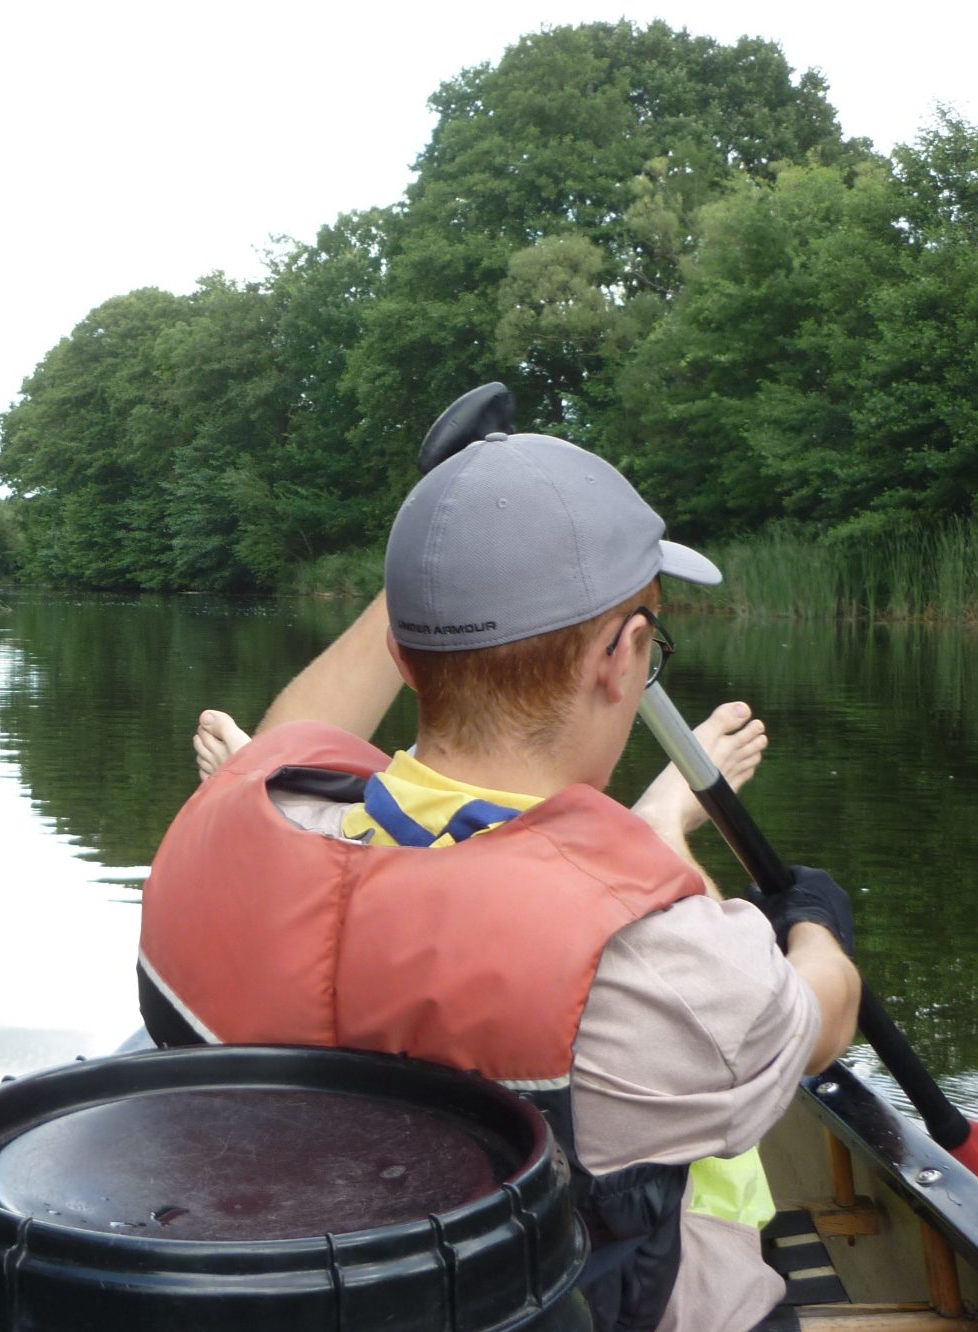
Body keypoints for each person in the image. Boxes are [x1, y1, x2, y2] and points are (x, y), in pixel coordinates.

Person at [137, 428, 862, 1332]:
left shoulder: (232, 831)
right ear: (624, 655)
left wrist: (437, 557)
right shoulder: (649, 958)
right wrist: (813, 920)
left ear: (402, 658)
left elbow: (290, 737)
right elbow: (823, 1018)